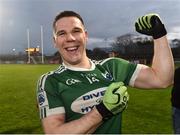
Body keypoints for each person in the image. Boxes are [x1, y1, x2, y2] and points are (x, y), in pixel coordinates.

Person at [36, 11, 174, 134]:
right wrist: (102, 111)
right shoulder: (50, 81)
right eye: (62, 33)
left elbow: (162, 79)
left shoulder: (112, 66)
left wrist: (159, 34)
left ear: (86, 35)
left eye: (76, 31)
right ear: (55, 42)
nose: (70, 38)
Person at [171, 67, 180, 134]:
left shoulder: (176, 71)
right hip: (176, 104)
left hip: (176, 104)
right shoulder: (177, 71)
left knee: (177, 129)